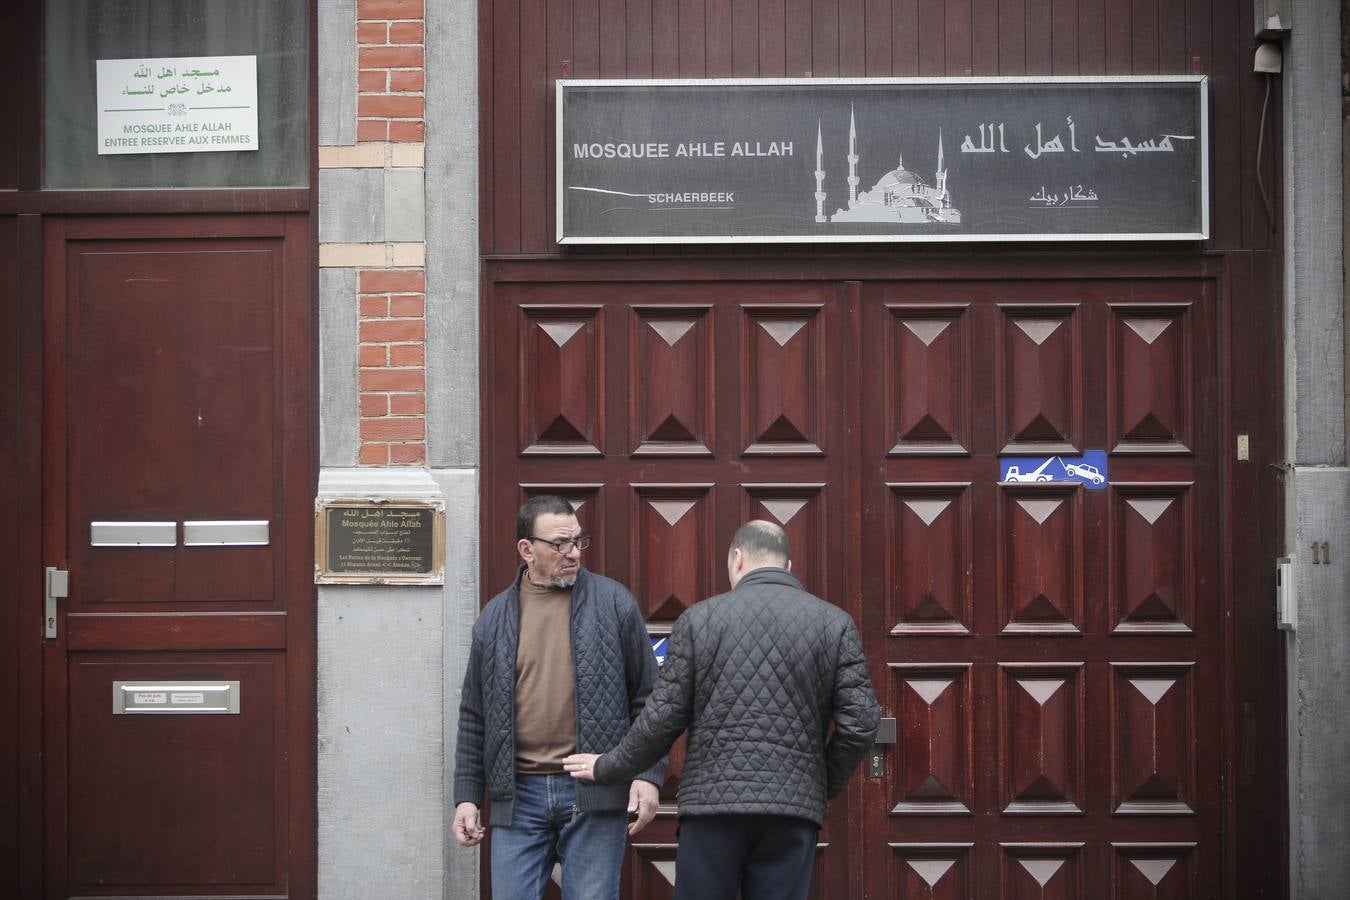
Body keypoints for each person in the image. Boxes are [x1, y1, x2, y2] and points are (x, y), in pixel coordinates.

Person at [563, 519, 880, 900]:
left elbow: (662, 720)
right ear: (788, 567)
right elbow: (861, 724)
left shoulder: (699, 620)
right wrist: (820, 783)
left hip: (711, 812)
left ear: (737, 558)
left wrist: (606, 766)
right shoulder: (835, 624)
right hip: (791, 812)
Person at [452, 495, 664, 900]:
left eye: (578, 541)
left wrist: (647, 775)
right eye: (560, 544)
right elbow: (474, 715)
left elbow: (649, 699)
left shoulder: (614, 603)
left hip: (593, 789)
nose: (572, 553)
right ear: (527, 549)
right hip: (517, 795)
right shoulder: (494, 618)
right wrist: (466, 796)